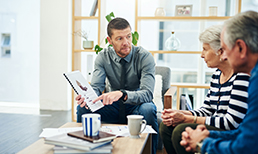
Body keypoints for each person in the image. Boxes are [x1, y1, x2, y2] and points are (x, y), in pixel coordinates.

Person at [159, 25, 250, 154]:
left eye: (205, 49)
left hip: (231, 132)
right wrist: (179, 114)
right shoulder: (217, 75)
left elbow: (231, 123)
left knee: (181, 131)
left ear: (220, 51)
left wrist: (187, 119)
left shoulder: (241, 76)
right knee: (166, 126)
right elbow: (207, 109)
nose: (202, 55)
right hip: (216, 124)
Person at [75, 17, 158, 154]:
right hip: (111, 106)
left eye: (128, 37)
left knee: (148, 108)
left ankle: (150, 152)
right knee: (83, 108)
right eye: (120, 39)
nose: (126, 43)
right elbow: (96, 87)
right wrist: (87, 97)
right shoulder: (103, 57)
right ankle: (84, 150)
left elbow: (147, 93)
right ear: (110, 41)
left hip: (136, 106)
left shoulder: (144, 57)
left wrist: (123, 94)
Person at [180, 10, 258, 154]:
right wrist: (209, 135)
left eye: (225, 49)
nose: (224, 55)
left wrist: (203, 143)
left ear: (241, 48)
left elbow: (245, 146)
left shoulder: (252, 79)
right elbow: (246, 134)